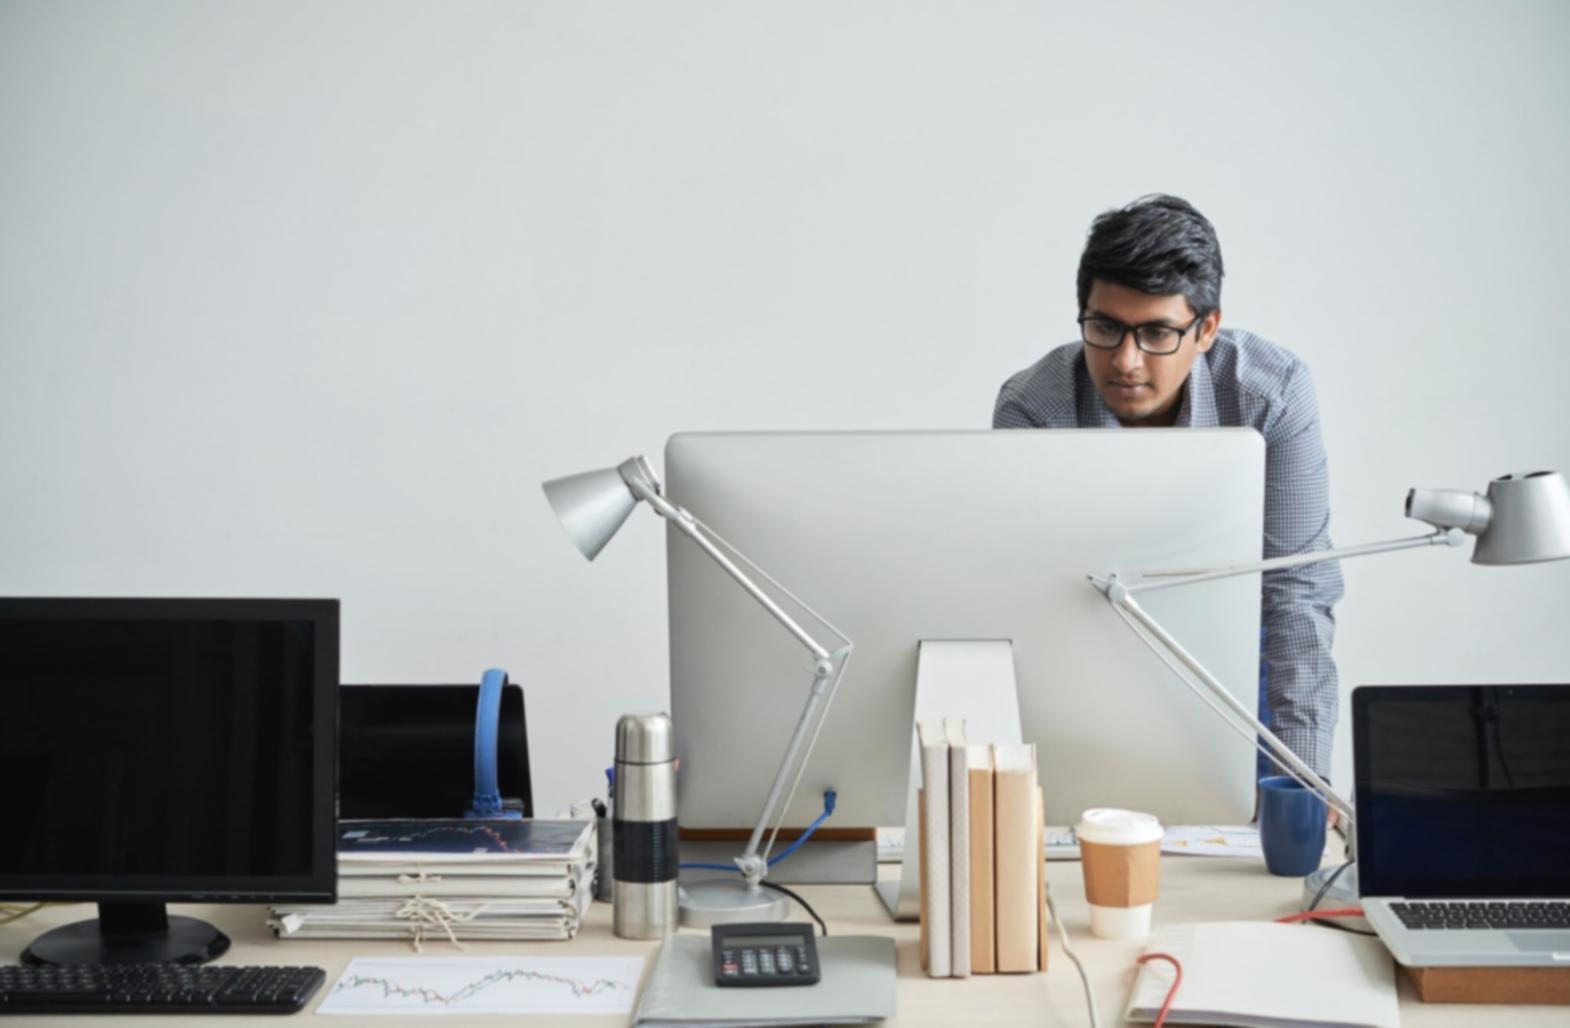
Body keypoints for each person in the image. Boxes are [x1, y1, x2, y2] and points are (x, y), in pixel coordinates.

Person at [992, 194, 1343, 783]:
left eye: (1157, 332)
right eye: (1105, 327)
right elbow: (1024, 597)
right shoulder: (1032, 408)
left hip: (1234, 665)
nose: (1126, 361)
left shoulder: (1273, 394)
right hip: (1082, 661)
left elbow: (1296, 590)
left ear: (1206, 329)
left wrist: (1304, 780)